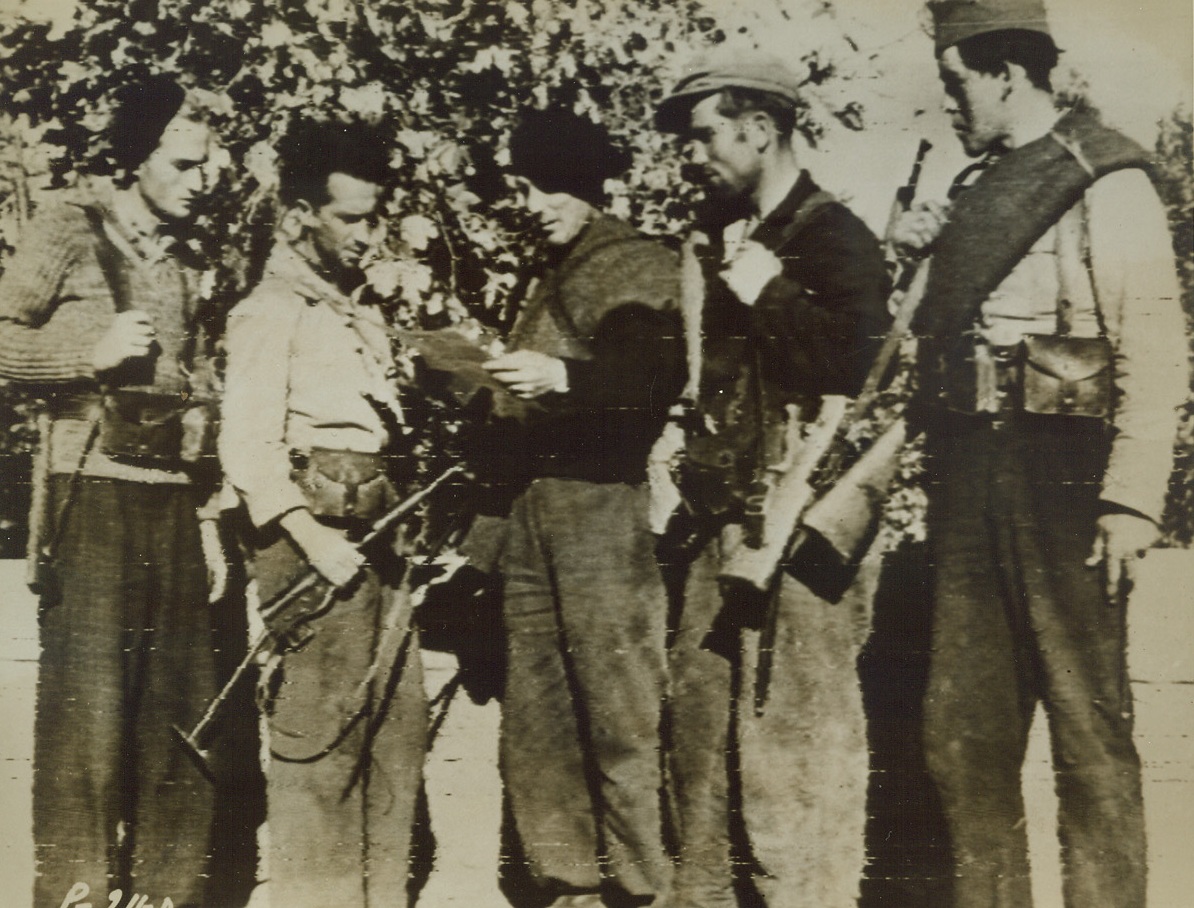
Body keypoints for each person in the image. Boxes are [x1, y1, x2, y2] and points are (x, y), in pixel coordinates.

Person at [888, 3, 1189, 905]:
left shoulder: (1103, 175)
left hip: (1069, 471)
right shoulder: (977, 189)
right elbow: (922, 341)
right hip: (970, 468)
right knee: (961, 732)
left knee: (1088, 732)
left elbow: (1155, 347)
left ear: (1004, 73)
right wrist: (910, 262)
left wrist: (1132, 501)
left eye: (955, 84)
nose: (948, 105)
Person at [653, 55, 892, 908]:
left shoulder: (836, 240)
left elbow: (865, 374)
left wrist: (773, 293)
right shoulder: (718, 238)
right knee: (700, 741)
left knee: (794, 748)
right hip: (723, 520)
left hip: (797, 534)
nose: (692, 155)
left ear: (760, 128)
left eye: (705, 134)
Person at [0, 76, 223, 907]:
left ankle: (169, 891)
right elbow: (2, 337)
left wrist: (207, 511)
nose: (200, 181)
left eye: (208, 167)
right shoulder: (66, 225)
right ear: (137, 160)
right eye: (184, 164)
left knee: (178, 714)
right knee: (86, 719)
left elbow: (199, 386)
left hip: (171, 497)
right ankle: (77, 892)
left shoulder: (188, 260)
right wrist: (86, 351)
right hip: (87, 492)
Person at [465, 106, 684, 908]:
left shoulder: (635, 265)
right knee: (538, 716)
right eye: (526, 187)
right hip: (531, 512)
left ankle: (641, 886)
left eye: (553, 186)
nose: (536, 201)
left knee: (618, 712)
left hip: (601, 511)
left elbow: (649, 387)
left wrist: (559, 381)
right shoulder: (545, 272)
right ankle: (565, 883)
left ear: (589, 186)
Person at [219, 119, 428, 908]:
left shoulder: (356, 310)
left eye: (375, 215)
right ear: (301, 214)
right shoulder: (270, 310)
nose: (368, 235)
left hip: (379, 547)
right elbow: (248, 453)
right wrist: (314, 544)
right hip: (314, 554)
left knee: (392, 739)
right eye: (351, 217)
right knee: (320, 753)